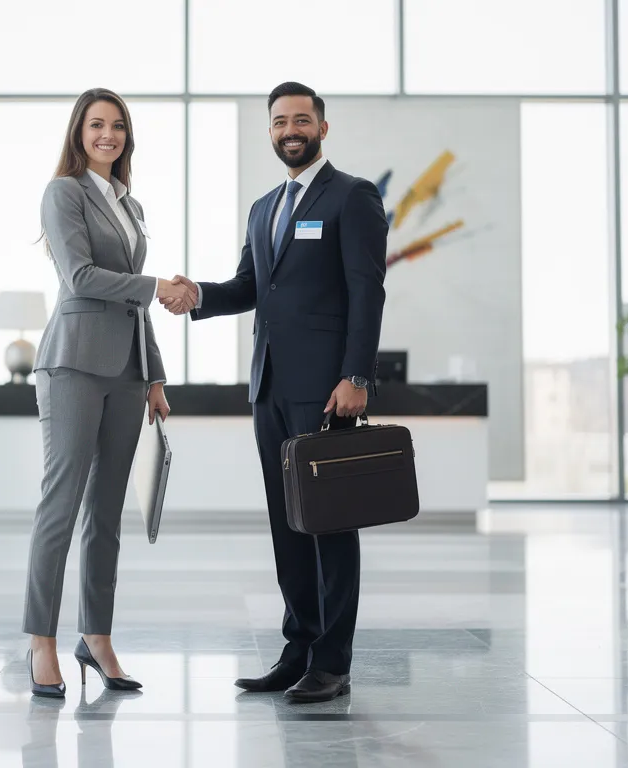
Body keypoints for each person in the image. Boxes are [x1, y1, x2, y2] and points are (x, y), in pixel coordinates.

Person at [165, 82, 387, 703]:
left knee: (331, 526)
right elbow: (247, 287)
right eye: (279, 122)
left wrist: (357, 376)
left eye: (301, 119)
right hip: (268, 387)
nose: (291, 129)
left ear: (322, 126)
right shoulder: (264, 207)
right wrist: (198, 295)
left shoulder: (353, 197)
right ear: (270, 132)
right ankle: (299, 647)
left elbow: (368, 292)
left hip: (326, 392)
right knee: (287, 522)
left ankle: (333, 662)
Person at [24, 87, 198, 698]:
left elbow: (130, 301)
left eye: (118, 126)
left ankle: (95, 637)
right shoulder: (63, 193)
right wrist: (157, 285)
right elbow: (80, 278)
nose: (108, 135)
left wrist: (153, 375)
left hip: (126, 372)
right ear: (78, 133)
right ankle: (40, 642)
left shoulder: (131, 203)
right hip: (73, 364)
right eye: (96, 125)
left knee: (106, 515)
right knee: (61, 504)